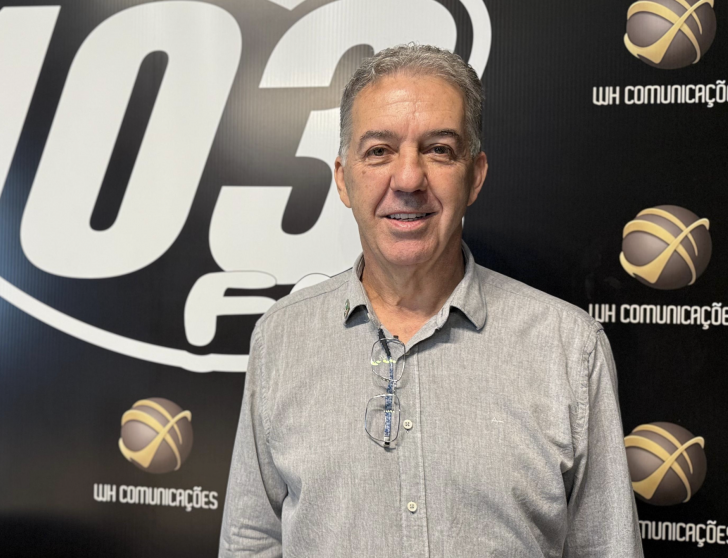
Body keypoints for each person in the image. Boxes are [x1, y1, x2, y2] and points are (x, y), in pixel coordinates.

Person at [219, 44, 643, 557]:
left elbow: (606, 547)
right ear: (343, 179)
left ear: (475, 176)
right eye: (379, 151)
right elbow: (251, 540)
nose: (408, 180)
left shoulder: (569, 348)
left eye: (439, 150)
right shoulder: (281, 339)